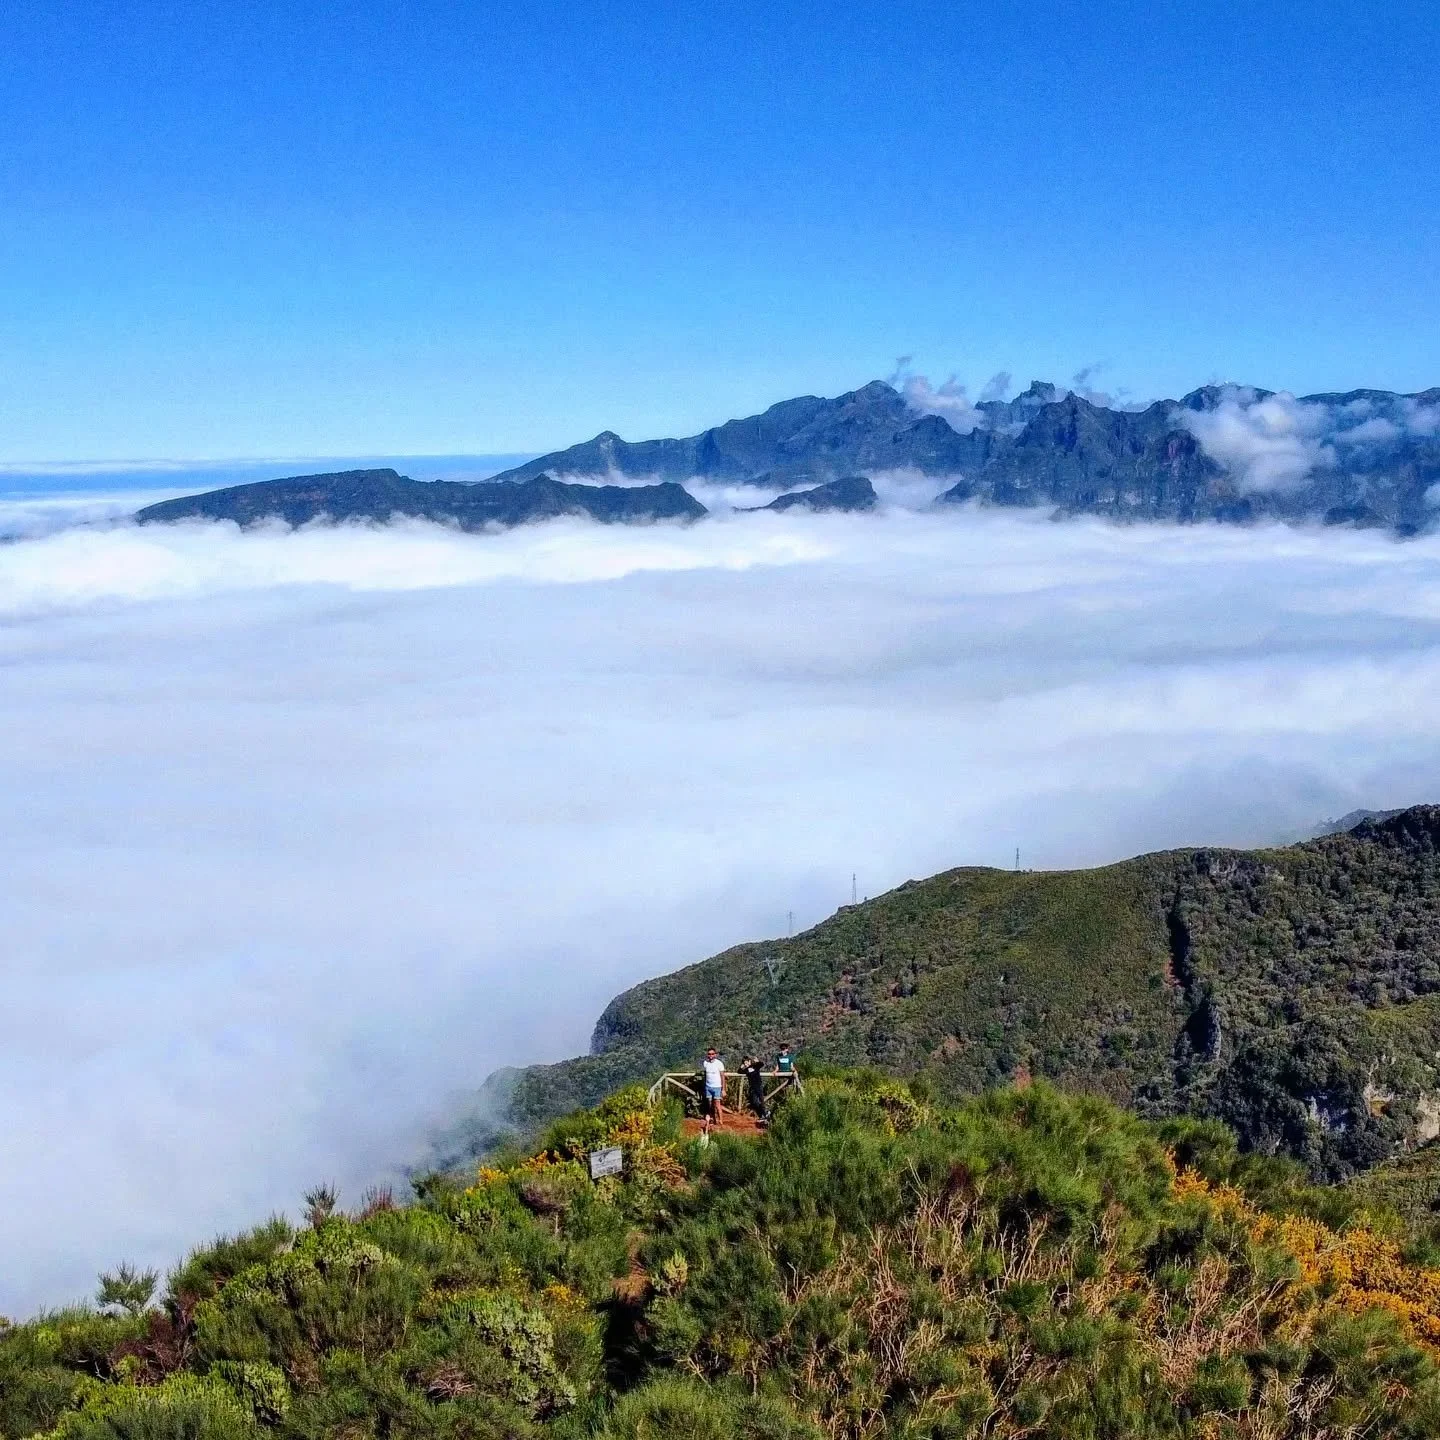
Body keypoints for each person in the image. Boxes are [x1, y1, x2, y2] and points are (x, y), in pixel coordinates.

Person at [701, 1047, 726, 1127]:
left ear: (715, 1055)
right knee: (710, 1104)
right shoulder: (705, 1063)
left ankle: (721, 1121)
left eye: (712, 1054)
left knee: (717, 1104)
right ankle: (712, 1118)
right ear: (707, 1055)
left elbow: (722, 1076)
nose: (711, 1055)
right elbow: (705, 1075)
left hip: (717, 1087)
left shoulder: (719, 1063)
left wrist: (723, 1089)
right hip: (708, 1086)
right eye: (709, 1054)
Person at [741, 1055, 768, 1124]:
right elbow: (739, 1071)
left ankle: (765, 1115)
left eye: (746, 1062)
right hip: (752, 1087)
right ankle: (763, 1114)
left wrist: (757, 1061)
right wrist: (741, 1067)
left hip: (758, 1086)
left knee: (761, 1101)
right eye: (744, 1063)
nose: (746, 1064)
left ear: (750, 1061)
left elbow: (761, 1064)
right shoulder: (746, 1070)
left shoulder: (755, 1066)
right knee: (755, 1102)